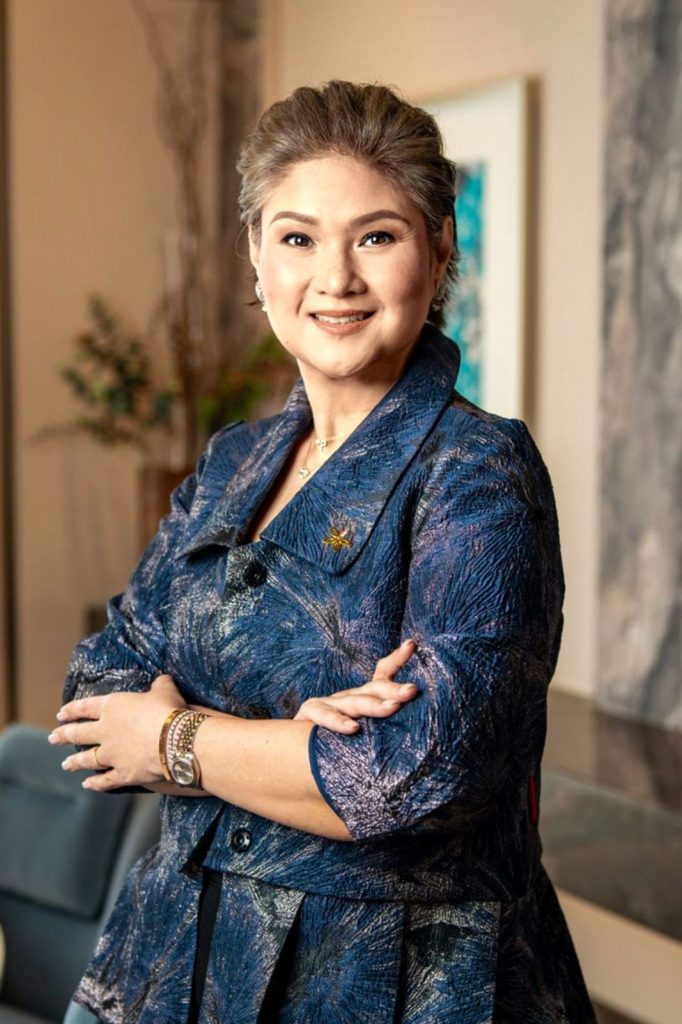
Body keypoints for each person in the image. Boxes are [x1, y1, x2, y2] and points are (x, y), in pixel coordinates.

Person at [50, 80, 597, 1023]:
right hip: (177, 957)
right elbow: (98, 686)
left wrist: (177, 737)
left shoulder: (480, 471)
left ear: (439, 250)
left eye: (376, 236)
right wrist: (291, 741)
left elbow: (413, 774)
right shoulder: (233, 460)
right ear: (256, 257)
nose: (335, 278)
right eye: (298, 238)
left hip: (391, 979)